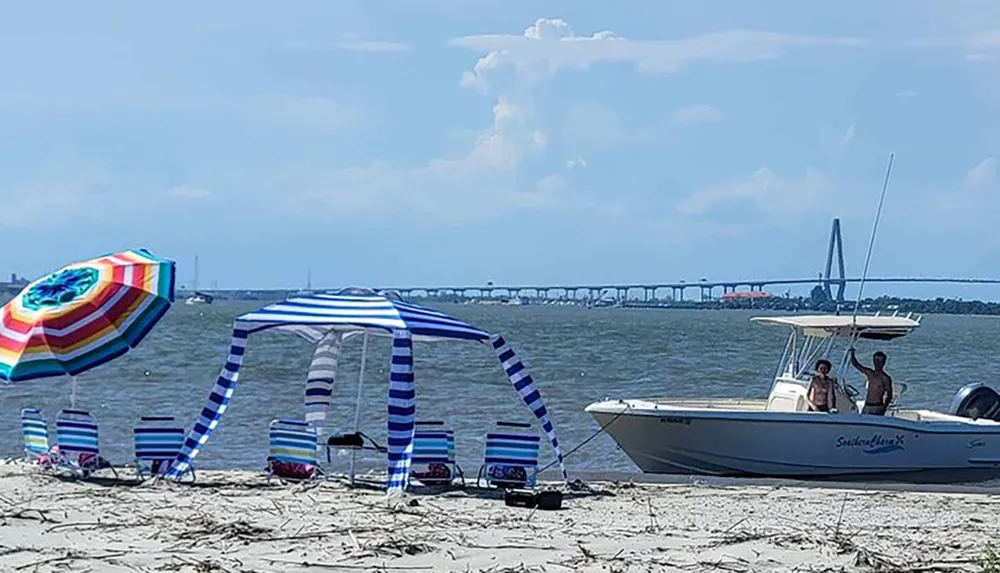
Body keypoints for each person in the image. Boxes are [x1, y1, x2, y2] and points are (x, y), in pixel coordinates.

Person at [849, 348, 893, 415]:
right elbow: (856, 365)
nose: (878, 363)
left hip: (877, 406)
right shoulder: (870, 373)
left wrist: (884, 407)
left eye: (880, 361)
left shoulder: (885, 378)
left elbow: (889, 395)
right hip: (867, 405)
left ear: (884, 362)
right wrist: (852, 353)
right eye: (876, 360)